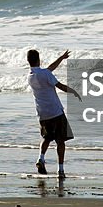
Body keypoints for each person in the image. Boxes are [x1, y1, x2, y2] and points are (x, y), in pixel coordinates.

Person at [27, 49, 81, 177]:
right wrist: (74, 91)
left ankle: (41, 158)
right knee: (60, 141)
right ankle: (60, 170)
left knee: (46, 138)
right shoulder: (45, 74)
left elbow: (49, 69)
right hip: (55, 111)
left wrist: (61, 58)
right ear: (38, 59)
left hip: (42, 113)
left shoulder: (31, 76)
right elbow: (60, 85)